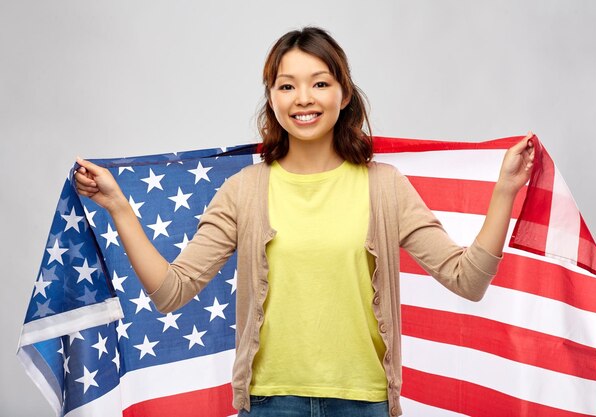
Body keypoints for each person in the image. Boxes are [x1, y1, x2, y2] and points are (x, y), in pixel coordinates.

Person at [74, 27, 534, 417]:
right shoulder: (244, 191)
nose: (303, 99)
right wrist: (118, 207)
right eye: (287, 85)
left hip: (364, 402)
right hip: (271, 403)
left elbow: (466, 279)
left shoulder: (385, 187)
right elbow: (171, 292)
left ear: (344, 93)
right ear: (272, 97)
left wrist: (505, 192)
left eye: (319, 82)